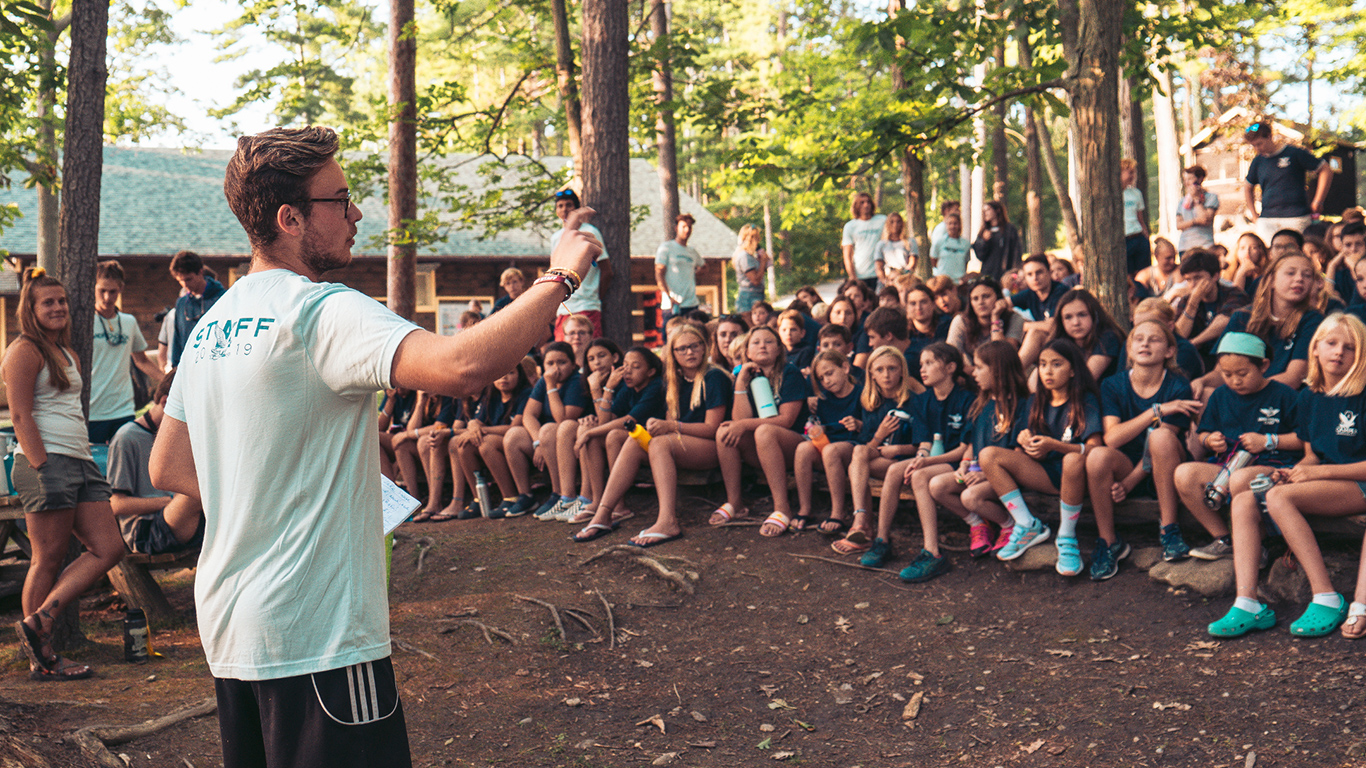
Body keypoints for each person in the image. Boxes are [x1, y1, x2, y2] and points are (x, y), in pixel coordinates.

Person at [147, 126, 600, 767]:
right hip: (319, 634)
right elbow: (462, 366)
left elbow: (169, 463)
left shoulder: (214, 323)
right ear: (291, 219)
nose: (358, 212)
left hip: (232, 627)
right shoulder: (321, 312)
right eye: (341, 199)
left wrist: (282, 486)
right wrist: (561, 275)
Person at [1208, 313, 1366, 639]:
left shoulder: (1362, 394)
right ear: (1316, 349)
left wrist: (1316, 473)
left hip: (1358, 482)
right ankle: (1247, 602)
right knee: (1244, 499)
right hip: (1327, 482)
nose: (1338, 352)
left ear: (1361, 354)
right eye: (1331, 343)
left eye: (1349, 347)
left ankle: (1326, 596)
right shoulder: (1309, 397)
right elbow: (1311, 454)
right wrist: (1292, 473)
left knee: (1278, 496)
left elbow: (1323, 466)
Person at [6, 268, 124, 682]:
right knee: (49, 558)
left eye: (61, 301)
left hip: (80, 460)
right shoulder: (23, 350)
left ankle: (39, 621)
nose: (57, 307)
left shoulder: (68, 353)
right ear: (31, 309)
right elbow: (19, 415)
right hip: (46, 462)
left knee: (109, 547)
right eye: (47, 302)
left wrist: (81, 460)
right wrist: (41, 466)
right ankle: (43, 655)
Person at [573, 323, 731, 545]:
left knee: (659, 444)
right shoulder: (673, 381)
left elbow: (712, 429)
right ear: (673, 353)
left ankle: (668, 522)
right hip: (681, 443)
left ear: (704, 348)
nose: (689, 352)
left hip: (711, 447)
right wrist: (662, 427)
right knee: (633, 441)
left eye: (695, 346)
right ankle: (604, 514)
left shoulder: (713, 377)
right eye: (682, 348)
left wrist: (671, 427)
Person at [836, 343, 973, 571]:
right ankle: (881, 540)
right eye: (921, 364)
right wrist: (921, 455)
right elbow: (925, 441)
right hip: (928, 458)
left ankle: (931, 550)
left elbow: (961, 449)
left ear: (950, 367)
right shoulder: (923, 400)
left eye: (929, 363)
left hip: (953, 462)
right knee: (885, 466)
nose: (923, 369)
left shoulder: (962, 399)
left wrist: (919, 458)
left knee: (910, 473)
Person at [1086, 320, 1201, 579]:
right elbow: (1113, 438)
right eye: (1138, 339)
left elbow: (1162, 444)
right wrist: (1155, 411)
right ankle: (1108, 541)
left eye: (1154, 339)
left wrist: (1128, 483)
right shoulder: (1113, 385)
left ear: (1170, 351)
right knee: (1097, 456)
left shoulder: (1178, 385)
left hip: (1167, 466)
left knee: (1160, 437)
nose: (1145, 344)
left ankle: (1169, 529)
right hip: (1127, 462)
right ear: (1129, 349)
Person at [1174, 333, 1301, 561]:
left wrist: (1268, 441)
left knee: (1240, 479)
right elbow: (1203, 432)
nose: (1235, 381)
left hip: (1273, 465)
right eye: (1227, 374)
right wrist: (1209, 440)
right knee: (1184, 474)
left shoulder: (1284, 395)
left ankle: (1257, 543)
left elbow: (1304, 439)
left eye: (1243, 374)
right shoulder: (1221, 395)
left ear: (1263, 366)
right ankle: (1225, 539)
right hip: (1228, 464)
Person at [982, 339, 1101, 575]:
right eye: (1043, 364)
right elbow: (1023, 444)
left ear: (1073, 370)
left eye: (1056, 364)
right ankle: (1027, 524)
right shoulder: (1035, 401)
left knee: (1073, 459)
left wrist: (1054, 445)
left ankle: (1067, 537)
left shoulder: (1085, 401)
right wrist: (1024, 440)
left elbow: (1094, 449)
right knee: (988, 455)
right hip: (1044, 475)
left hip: (1077, 480)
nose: (1047, 371)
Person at [923, 341, 1027, 562]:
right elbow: (971, 443)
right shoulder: (980, 403)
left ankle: (1009, 525)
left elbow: (1020, 455)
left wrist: (985, 473)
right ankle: (978, 524)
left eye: (980, 367)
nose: (973, 372)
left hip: (1004, 477)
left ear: (998, 369)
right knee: (937, 485)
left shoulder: (1022, 404)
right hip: (976, 470)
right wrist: (964, 464)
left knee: (970, 497)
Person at [708, 326, 810, 529]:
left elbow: (786, 420)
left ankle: (782, 507)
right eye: (756, 342)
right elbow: (739, 419)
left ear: (779, 349)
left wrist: (744, 425)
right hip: (762, 447)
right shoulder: (746, 376)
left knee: (764, 431)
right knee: (724, 432)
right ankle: (735, 502)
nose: (762, 345)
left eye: (769, 341)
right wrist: (740, 383)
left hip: (795, 445)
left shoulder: (790, 373)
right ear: (747, 351)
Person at [108, 370, 205, 556]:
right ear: (166, 402)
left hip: (184, 520)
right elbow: (116, 504)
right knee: (200, 491)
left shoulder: (184, 435)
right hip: (146, 530)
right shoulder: (127, 437)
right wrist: (169, 501)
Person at [1198, 251, 1323, 396]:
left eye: (1307, 275)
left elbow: (1293, 378)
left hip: (1281, 397)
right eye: (1290, 273)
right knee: (1204, 393)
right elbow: (1221, 372)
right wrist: (1201, 382)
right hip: (1243, 392)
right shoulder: (1242, 316)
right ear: (1271, 280)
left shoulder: (1313, 320)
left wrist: (1247, 394)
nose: (1299, 279)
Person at [573, 346, 666, 522]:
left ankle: (619, 505)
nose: (628, 371)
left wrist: (589, 432)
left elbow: (629, 420)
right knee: (595, 438)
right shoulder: (628, 388)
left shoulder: (655, 387)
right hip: (635, 439)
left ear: (651, 371)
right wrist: (606, 389)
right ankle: (599, 500)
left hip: (655, 440)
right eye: (625, 365)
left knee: (613, 435)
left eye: (636, 366)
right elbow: (605, 420)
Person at [781, 351, 864, 534]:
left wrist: (859, 424)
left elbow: (872, 428)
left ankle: (838, 513)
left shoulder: (862, 394)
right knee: (803, 448)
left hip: (854, 448)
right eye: (821, 378)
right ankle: (805, 509)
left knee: (831, 451)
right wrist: (818, 430)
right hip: (830, 449)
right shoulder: (823, 399)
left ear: (845, 367)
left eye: (830, 373)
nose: (826, 381)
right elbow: (824, 427)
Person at [445, 361, 536, 520]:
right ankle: (478, 499)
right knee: (464, 444)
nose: (504, 378)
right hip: (499, 441)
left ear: (519, 375)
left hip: (520, 442)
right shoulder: (491, 396)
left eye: (510, 373)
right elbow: (477, 423)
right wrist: (473, 425)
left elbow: (514, 427)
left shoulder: (525, 393)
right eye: (499, 375)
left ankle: (510, 497)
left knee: (485, 444)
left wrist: (482, 429)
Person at [89, 260, 164, 443]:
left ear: (121, 288)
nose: (107, 297)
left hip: (123, 408)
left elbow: (141, 360)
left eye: (112, 291)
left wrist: (168, 380)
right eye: (102, 291)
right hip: (92, 409)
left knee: (124, 463)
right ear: (94, 288)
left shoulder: (128, 322)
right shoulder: (85, 322)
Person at [1243, 120, 1334, 244]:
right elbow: (1248, 186)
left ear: (1269, 136)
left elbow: (1325, 170)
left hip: (1296, 216)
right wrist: (1254, 215)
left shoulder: (1294, 153)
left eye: (1260, 143)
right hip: (1267, 219)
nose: (1258, 148)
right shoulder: (1258, 161)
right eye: (1254, 145)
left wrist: (1318, 200)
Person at [1170, 249, 1251, 364]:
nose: (1193, 284)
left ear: (1215, 276)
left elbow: (1225, 321)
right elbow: (1179, 335)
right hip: (1197, 359)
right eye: (1188, 279)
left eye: (1198, 278)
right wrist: (1193, 304)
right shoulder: (1187, 301)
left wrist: (1194, 343)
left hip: (1229, 355)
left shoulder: (1234, 294)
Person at [550, 189, 611, 338]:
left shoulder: (590, 232)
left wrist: (595, 296)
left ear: (576, 209)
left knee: (589, 351)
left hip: (587, 305)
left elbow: (607, 271)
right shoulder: (556, 237)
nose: (564, 209)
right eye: (560, 206)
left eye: (569, 205)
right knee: (563, 352)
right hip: (564, 307)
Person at [1048, 288, 1126, 382]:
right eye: (1068, 317)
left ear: (1094, 315)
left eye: (1082, 315)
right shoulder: (1060, 340)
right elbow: (1035, 382)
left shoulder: (1108, 337)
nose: (1076, 322)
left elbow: (1085, 381)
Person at [946, 276, 1025, 365]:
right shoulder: (961, 321)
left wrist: (995, 318)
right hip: (971, 373)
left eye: (986, 296)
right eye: (975, 299)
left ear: (998, 298)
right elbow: (951, 357)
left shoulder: (1014, 318)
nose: (981, 302)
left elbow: (1004, 357)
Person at [168, 250, 227, 367]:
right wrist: (176, 368)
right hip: (189, 369)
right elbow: (177, 342)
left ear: (200, 273)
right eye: (180, 281)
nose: (185, 285)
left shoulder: (222, 299)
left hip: (214, 367)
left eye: (188, 279)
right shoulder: (181, 303)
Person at [1009, 254, 1067, 369]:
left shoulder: (1060, 291)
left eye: (1039, 272)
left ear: (1049, 272)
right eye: (1029, 274)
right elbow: (1004, 304)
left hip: (1064, 342)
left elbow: (1052, 326)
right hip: (1047, 346)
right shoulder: (1030, 293)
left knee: (1035, 333)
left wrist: (1021, 324)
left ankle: (1013, 374)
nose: (1035, 278)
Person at [655, 213, 706, 318]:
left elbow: (704, 267)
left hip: (691, 304)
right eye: (683, 226)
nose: (687, 230)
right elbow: (659, 273)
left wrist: (693, 274)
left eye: (689, 227)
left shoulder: (692, 251)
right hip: (673, 305)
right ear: (676, 228)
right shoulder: (666, 248)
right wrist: (669, 297)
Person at [842, 192, 887, 290]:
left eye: (868, 202)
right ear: (856, 206)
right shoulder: (850, 226)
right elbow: (847, 254)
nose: (866, 205)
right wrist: (852, 276)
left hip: (881, 272)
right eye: (862, 202)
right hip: (861, 273)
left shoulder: (882, 220)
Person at [971, 200, 1023, 280]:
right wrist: (984, 241)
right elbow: (980, 255)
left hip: (1006, 272)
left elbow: (1016, 252)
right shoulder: (984, 232)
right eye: (984, 211)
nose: (985, 213)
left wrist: (1015, 271)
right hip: (988, 273)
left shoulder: (1009, 230)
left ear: (997, 210)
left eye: (988, 210)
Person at [1176, 165, 1219, 257]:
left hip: (1205, 245)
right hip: (1185, 246)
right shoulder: (1182, 201)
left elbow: (1205, 220)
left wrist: (1196, 200)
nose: (1187, 183)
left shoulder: (1211, 197)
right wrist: (1195, 221)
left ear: (1200, 179)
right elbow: (1178, 225)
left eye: (1190, 179)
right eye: (1185, 179)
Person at [1122, 158, 1152, 274]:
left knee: (1143, 272)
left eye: (1133, 172)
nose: (1132, 176)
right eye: (1129, 172)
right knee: (1128, 273)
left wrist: (1145, 234)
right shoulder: (1112, 195)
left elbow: (1140, 217)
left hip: (1138, 236)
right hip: (1124, 239)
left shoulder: (1136, 193)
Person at [1328, 222, 1366, 307]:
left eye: (1358, 244)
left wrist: (1355, 267)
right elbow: (1328, 301)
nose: (1353, 249)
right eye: (1348, 245)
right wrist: (1332, 266)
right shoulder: (1340, 276)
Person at [732, 224, 768, 313]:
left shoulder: (751, 256)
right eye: (757, 238)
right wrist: (763, 262)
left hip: (756, 294)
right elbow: (755, 280)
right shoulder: (745, 256)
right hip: (749, 296)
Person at [874, 212, 916, 286]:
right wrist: (885, 281)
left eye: (898, 222)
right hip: (888, 277)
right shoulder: (881, 244)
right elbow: (878, 266)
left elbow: (912, 262)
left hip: (904, 276)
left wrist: (904, 274)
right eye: (892, 222)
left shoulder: (910, 242)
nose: (895, 225)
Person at [931, 213, 970, 280]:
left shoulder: (966, 244)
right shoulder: (939, 242)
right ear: (946, 225)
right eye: (950, 223)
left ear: (959, 225)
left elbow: (966, 261)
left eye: (955, 223)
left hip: (959, 281)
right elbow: (934, 260)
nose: (952, 226)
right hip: (942, 280)